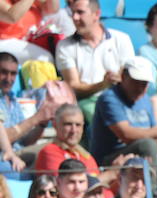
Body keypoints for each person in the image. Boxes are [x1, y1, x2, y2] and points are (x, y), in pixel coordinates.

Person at [90, 56, 157, 198]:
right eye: (136, 81)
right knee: (148, 145)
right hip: (111, 158)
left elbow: (155, 134)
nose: (140, 88)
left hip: (141, 156)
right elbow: (126, 134)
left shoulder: (144, 99)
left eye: (144, 84)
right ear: (123, 76)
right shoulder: (109, 98)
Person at [55, 0, 135, 128]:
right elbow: (74, 87)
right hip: (86, 103)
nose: (75, 17)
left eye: (80, 12)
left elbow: (130, 77)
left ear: (96, 14)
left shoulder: (122, 39)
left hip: (120, 99)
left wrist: (119, 79)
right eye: (73, 12)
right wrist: (103, 85)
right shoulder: (65, 46)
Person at [0, 52, 58, 165]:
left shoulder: (14, 101)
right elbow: (3, 139)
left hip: (19, 155)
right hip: (5, 159)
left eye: (13, 74)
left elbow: (24, 141)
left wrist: (42, 123)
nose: (8, 78)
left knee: (56, 148)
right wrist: (36, 118)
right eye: (3, 72)